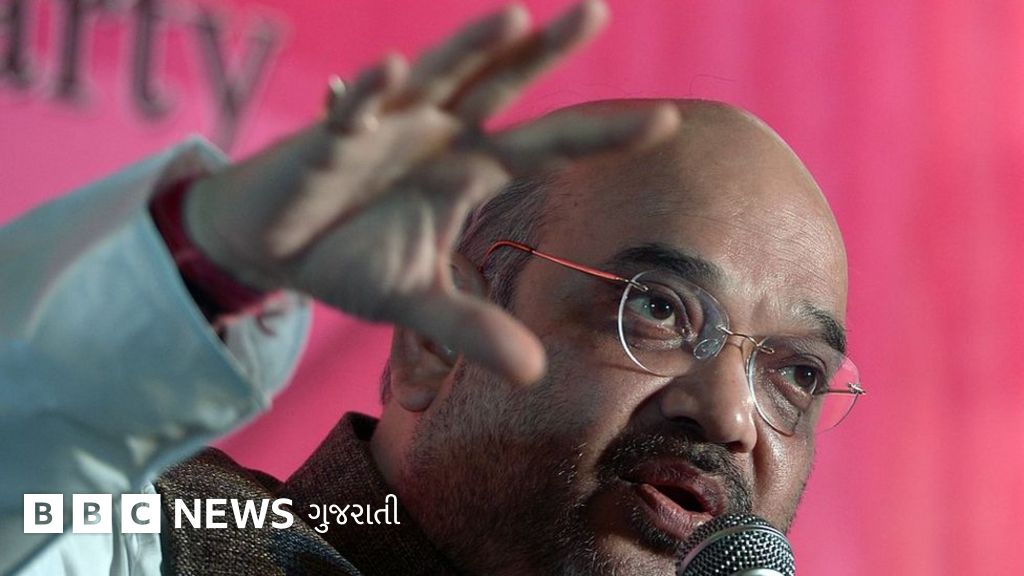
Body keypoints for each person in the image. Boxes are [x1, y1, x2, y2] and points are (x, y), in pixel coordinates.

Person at [0, 1, 863, 574]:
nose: (729, 415)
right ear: (434, 342)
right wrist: (197, 259)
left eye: (797, 374)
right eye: (659, 309)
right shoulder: (148, 540)